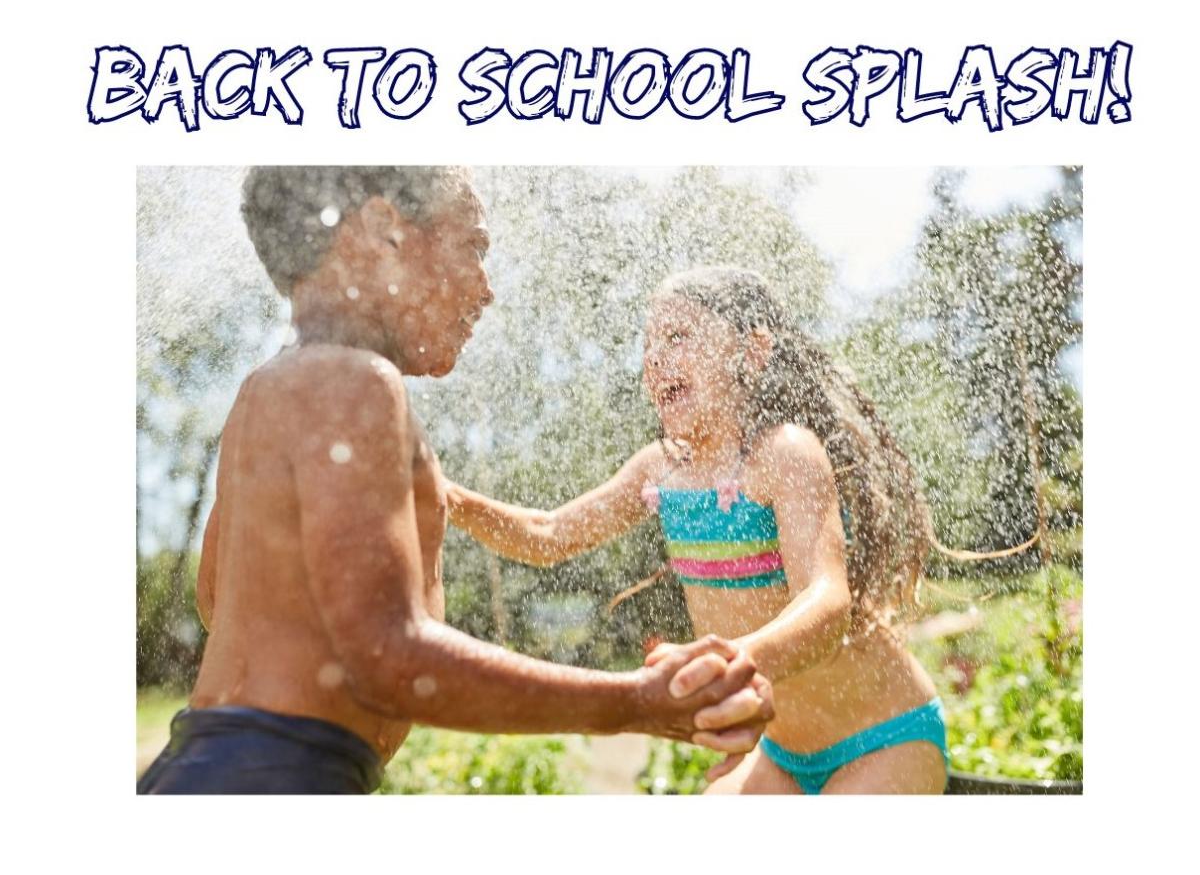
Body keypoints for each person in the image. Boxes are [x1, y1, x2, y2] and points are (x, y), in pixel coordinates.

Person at [137, 169, 773, 795]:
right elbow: (388, 657)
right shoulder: (355, 382)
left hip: (218, 765)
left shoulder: (270, 389)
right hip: (275, 781)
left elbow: (218, 599)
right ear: (385, 229)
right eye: (473, 246)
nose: (488, 288)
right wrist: (634, 702)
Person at [448, 265, 953, 794]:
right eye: (648, 345)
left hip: (883, 739)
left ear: (752, 353)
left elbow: (827, 603)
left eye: (678, 335)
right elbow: (546, 535)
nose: (656, 357)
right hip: (782, 755)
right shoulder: (658, 471)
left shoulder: (783, 454)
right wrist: (447, 496)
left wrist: (734, 662)